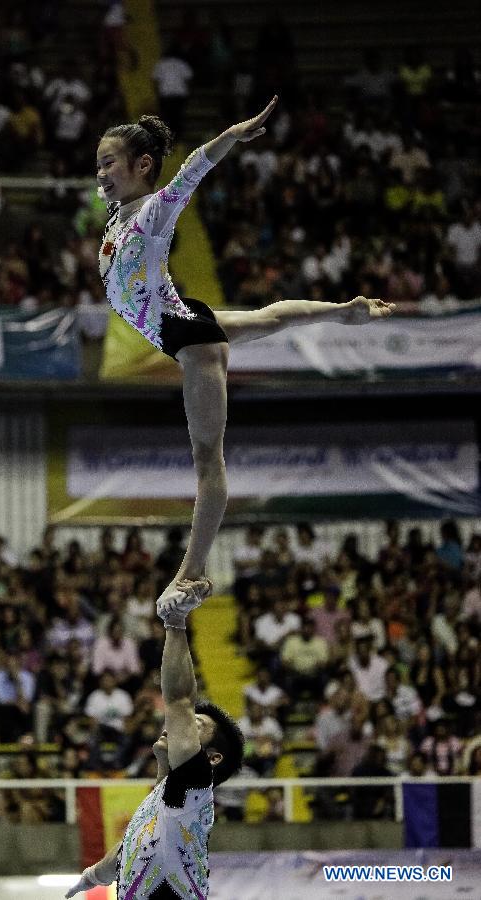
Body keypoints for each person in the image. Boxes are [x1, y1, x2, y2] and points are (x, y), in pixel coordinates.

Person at [96, 101, 396, 613]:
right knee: (268, 318)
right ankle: (346, 312)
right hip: (180, 320)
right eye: (98, 163)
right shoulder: (118, 218)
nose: (100, 172)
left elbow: (191, 169)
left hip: (191, 340)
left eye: (110, 162)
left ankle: (192, 571)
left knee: (208, 460)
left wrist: (230, 136)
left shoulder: (152, 212)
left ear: (142, 165)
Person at [65, 583, 244, 899]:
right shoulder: (165, 804)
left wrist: (175, 623)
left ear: (211, 758)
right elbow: (123, 853)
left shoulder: (195, 784)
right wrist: (91, 877)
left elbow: (179, 699)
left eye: (195, 726)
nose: (174, 727)